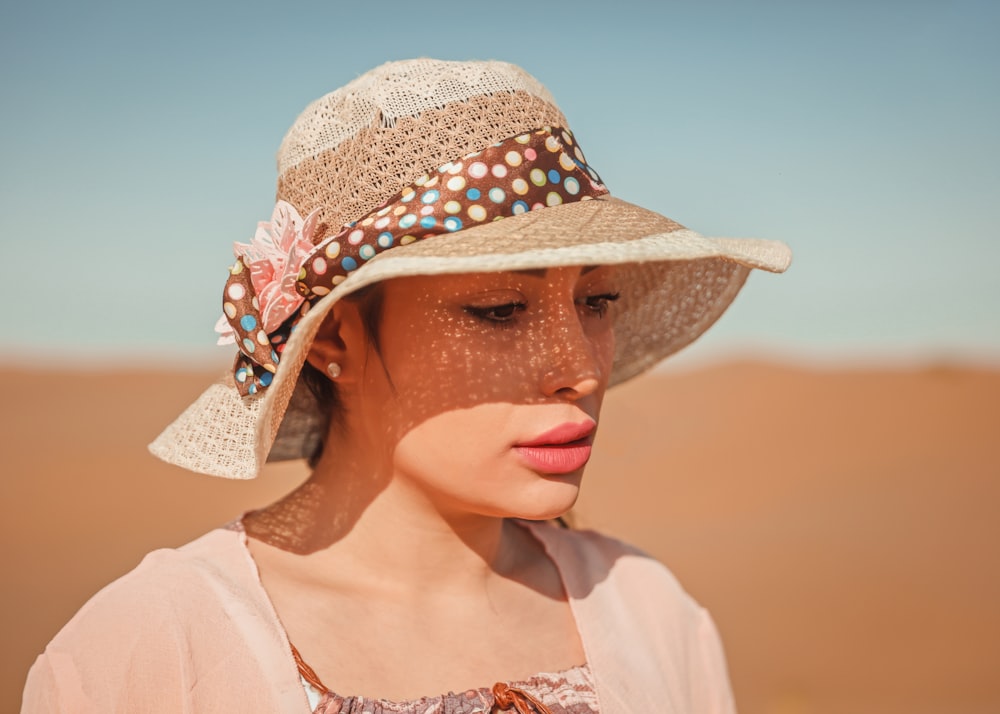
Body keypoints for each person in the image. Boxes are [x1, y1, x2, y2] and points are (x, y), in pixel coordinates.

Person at [21, 58, 790, 713]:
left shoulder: (649, 613)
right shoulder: (155, 650)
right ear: (331, 340)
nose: (582, 368)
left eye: (596, 300)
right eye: (499, 309)